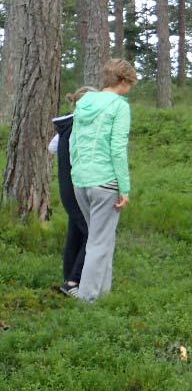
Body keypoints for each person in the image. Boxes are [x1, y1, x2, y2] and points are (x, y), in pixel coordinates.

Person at [69, 59, 137, 301]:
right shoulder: (119, 106)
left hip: (81, 181)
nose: (130, 88)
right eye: (130, 83)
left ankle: (103, 295)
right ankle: (87, 298)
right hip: (105, 182)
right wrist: (124, 188)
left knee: (103, 238)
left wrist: (77, 171)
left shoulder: (84, 101)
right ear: (122, 81)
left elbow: (73, 142)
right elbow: (118, 149)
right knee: (98, 242)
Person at [48, 86, 97, 296]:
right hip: (78, 187)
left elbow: (52, 148)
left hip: (67, 189)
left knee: (76, 233)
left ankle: (68, 279)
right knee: (91, 232)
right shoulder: (79, 125)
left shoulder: (66, 125)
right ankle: (74, 281)